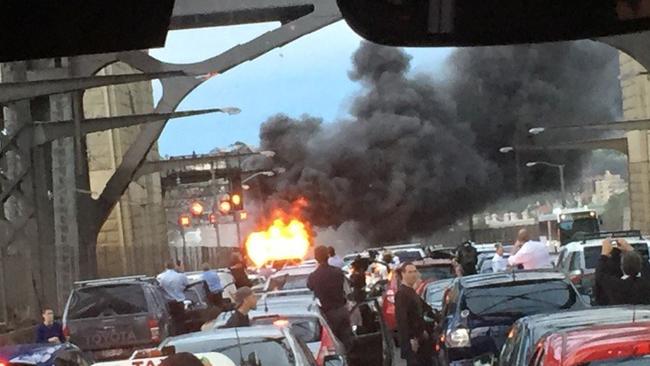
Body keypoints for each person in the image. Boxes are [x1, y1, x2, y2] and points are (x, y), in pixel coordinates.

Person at [307, 245, 353, 350]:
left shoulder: (314, 276)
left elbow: (310, 286)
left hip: (328, 314)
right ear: (328, 256)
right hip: (342, 310)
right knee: (348, 342)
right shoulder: (338, 272)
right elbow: (347, 288)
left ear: (315, 258)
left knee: (334, 346)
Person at [395, 263, 433, 366]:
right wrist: (411, 338)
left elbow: (427, 309)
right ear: (403, 274)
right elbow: (402, 320)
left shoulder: (412, 292)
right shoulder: (401, 294)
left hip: (421, 341)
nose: (413, 275)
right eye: (410, 272)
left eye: (415, 271)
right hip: (413, 343)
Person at [595, 238, 650, 305]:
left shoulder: (617, 286)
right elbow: (647, 267)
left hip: (621, 314)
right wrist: (630, 249)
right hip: (644, 314)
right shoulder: (646, 283)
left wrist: (604, 254)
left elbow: (600, 275)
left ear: (622, 267)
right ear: (640, 266)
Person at [158, 260, 189, 335]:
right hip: (179, 302)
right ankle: (181, 335)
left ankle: (172, 334)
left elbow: (158, 288)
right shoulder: (180, 276)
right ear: (174, 266)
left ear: (165, 266)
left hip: (167, 303)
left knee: (169, 322)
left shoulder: (160, 277)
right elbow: (187, 284)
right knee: (180, 322)